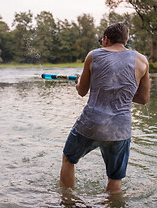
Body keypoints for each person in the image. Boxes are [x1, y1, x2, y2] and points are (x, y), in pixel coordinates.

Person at [60, 22, 150, 194]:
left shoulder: (93, 55)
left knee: (68, 159)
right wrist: (121, 95)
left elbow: (82, 91)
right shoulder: (142, 61)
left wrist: (78, 82)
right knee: (115, 178)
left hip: (91, 124)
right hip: (119, 129)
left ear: (106, 39)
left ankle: (68, 203)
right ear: (125, 40)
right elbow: (143, 99)